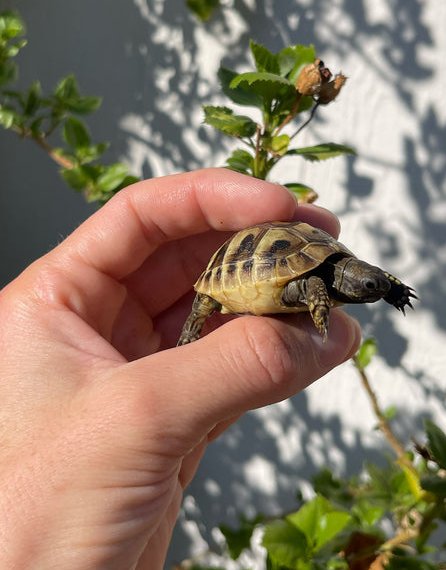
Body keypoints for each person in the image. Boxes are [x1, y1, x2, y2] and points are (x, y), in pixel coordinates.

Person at [0, 168, 361, 569]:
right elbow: (312, 286)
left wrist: (391, 287)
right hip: (255, 267)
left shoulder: (340, 264)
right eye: (365, 287)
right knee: (203, 307)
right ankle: (191, 331)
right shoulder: (313, 284)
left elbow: (368, 280)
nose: (369, 291)